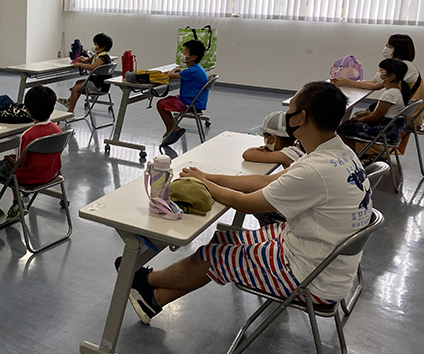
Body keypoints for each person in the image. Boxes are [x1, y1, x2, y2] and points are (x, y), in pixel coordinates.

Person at [119, 81, 372, 326]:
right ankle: (152, 300)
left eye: (289, 109)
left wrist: (207, 185)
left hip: (311, 278)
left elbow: (246, 204)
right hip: (324, 258)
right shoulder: (336, 152)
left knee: (213, 255)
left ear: (301, 118)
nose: (287, 115)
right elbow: (265, 182)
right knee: (223, 240)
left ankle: (142, 279)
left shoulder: (316, 169)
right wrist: (208, 177)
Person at [0, 85, 63, 223]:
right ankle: (15, 205)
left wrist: (12, 160)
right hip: (51, 174)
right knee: (12, 167)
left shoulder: (28, 135)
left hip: (29, 178)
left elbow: (20, 164)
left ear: (28, 110)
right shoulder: (58, 129)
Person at [242, 111, 305, 226]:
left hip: (293, 212)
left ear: (273, 138)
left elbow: (247, 154)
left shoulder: (287, 154)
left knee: (252, 195)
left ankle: (268, 229)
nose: (264, 141)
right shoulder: (297, 147)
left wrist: (261, 149)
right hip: (299, 202)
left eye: (265, 136)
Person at [337, 58, 410, 152]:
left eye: (381, 71)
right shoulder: (399, 89)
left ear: (391, 76)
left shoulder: (389, 95)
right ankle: (356, 154)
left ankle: (353, 155)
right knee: (350, 124)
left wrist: (357, 120)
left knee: (344, 128)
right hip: (394, 128)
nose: (378, 73)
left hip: (386, 131)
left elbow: (375, 117)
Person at [157, 39, 209, 146]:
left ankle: (171, 130)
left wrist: (172, 70)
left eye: (185, 53)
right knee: (166, 102)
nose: (182, 54)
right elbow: (182, 73)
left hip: (189, 103)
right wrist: (176, 71)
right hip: (196, 101)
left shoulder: (192, 71)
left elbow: (170, 76)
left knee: (161, 104)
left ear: (193, 57)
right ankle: (174, 128)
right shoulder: (196, 68)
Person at [331, 33, 420, 94]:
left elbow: (376, 86)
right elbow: (373, 81)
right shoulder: (401, 64)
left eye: (390, 46)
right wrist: (346, 82)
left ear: (400, 50)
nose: (386, 48)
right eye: (386, 45)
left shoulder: (402, 67)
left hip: (403, 115)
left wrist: (349, 82)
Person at [57, 33, 113, 113]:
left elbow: (92, 67)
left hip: (99, 86)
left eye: (96, 45)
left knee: (75, 89)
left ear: (102, 47)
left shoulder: (103, 58)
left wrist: (80, 64)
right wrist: (85, 59)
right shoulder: (100, 55)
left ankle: (70, 111)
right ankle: (69, 101)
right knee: (78, 82)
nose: (94, 47)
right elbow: (91, 59)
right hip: (99, 83)